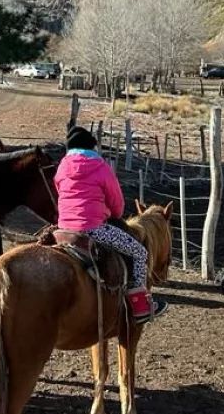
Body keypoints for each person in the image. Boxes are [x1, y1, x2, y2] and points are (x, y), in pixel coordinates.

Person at [53, 125, 168, 323]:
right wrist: (113, 214)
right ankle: (140, 305)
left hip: (63, 228)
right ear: (91, 148)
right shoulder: (100, 167)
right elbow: (117, 202)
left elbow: (59, 190)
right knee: (139, 252)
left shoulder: (62, 166)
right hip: (93, 229)